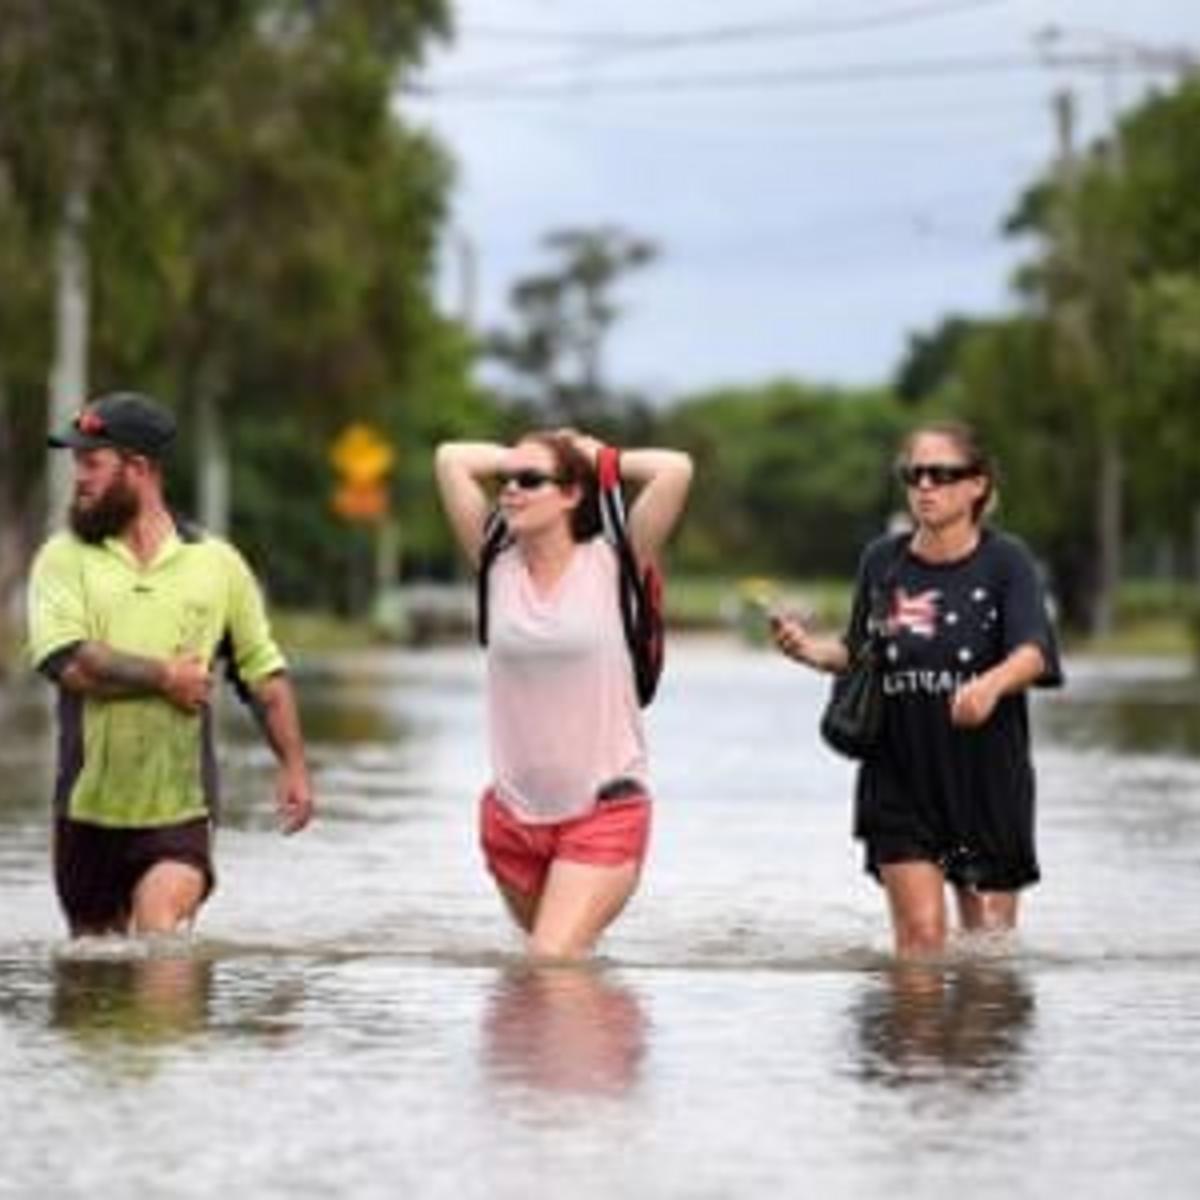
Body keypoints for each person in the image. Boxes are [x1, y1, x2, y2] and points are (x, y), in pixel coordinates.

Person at [26, 391, 314, 938]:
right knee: (93, 970)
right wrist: (166, 677)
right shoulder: (60, 558)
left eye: (91, 463)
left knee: (157, 930)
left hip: (180, 810)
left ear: (138, 469)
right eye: (76, 463)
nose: (78, 478)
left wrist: (294, 765)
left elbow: (262, 675)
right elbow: (71, 665)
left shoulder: (218, 564)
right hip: (84, 813)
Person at [771, 420, 1061, 958]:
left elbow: (1035, 652)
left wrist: (990, 686)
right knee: (921, 943)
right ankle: (909, 1019)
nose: (925, 485)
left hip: (986, 780)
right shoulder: (882, 561)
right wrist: (810, 652)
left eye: (942, 474)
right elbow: (860, 652)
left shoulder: (1007, 562)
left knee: (987, 955)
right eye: (914, 474)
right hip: (899, 777)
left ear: (977, 485)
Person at [434, 430, 692, 959]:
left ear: (572, 494)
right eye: (506, 480)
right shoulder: (495, 562)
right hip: (512, 818)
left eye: (530, 480)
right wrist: (528, 456)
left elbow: (676, 468)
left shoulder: (615, 562)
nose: (511, 489)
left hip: (604, 810)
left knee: (549, 960)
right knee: (554, 974)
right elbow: (450, 458)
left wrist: (599, 458)